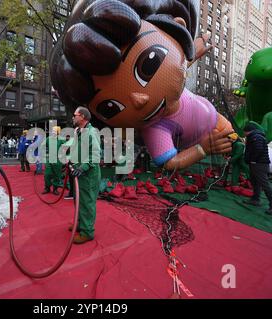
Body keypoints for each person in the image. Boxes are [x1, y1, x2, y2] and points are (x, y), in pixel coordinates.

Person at [50, 0, 234, 172]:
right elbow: (170, 163)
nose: (139, 99)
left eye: (148, 64)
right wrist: (202, 148)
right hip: (205, 135)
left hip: (217, 119)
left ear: (177, 26)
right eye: (110, 107)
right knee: (231, 146)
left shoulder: (176, 61)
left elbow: (175, 65)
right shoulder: (156, 129)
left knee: (236, 145)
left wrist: (191, 52)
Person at [68, 107, 101, 244]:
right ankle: (81, 224)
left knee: (86, 203)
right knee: (78, 201)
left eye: (74, 115)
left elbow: (95, 154)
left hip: (88, 175)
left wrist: (84, 167)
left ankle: (87, 232)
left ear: (82, 117)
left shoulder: (92, 132)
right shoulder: (79, 132)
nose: (73, 118)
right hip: (79, 174)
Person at [243, 122, 272, 215]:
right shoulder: (253, 137)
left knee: (265, 184)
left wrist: (253, 160)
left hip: (259, 164)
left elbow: (258, 149)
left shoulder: (256, 137)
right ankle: (255, 199)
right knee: (255, 181)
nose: (244, 134)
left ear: (248, 131)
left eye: (244, 132)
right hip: (256, 163)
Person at [42, 126, 64, 194]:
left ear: (58, 132)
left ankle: (55, 189)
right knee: (47, 174)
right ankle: (47, 188)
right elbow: (42, 145)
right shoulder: (49, 139)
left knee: (57, 175)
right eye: (52, 131)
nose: (53, 132)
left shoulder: (61, 139)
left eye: (54, 131)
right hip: (50, 159)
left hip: (58, 160)